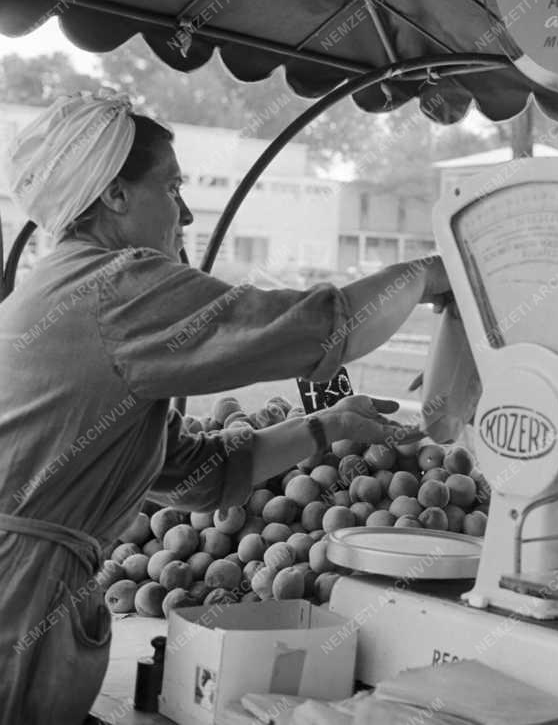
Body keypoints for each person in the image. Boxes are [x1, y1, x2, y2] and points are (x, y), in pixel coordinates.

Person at [0, 89, 451, 723]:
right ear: (115, 195)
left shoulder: (65, 286)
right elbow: (320, 328)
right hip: (17, 591)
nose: (185, 213)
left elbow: (194, 475)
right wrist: (428, 275)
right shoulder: (116, 286)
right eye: (172, 187)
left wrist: (326, 426)